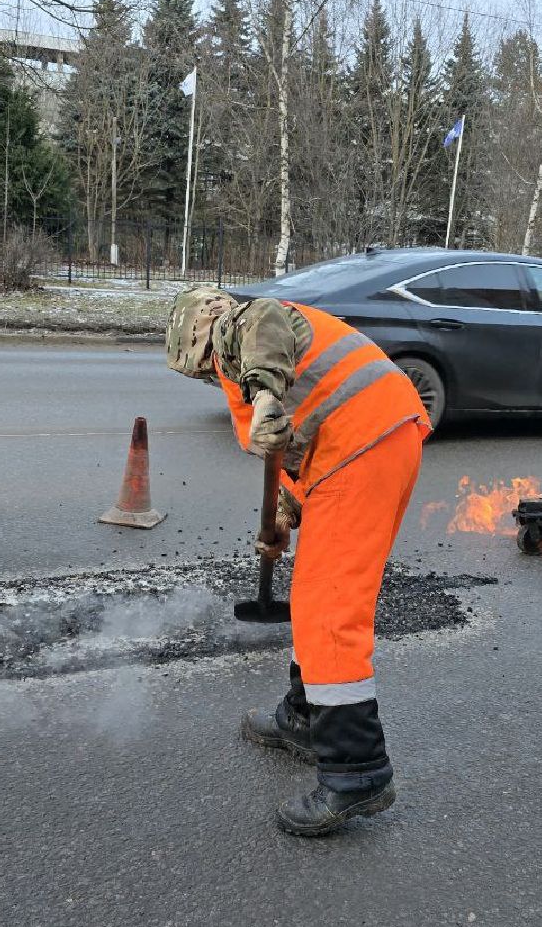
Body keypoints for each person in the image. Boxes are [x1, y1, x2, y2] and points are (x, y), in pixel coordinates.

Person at [166, 288, 430, 836]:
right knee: (315, 604)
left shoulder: (240, 323)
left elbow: (266, 326)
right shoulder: (263, 351)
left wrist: (263, 396)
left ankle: (358, 773)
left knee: (331, 611)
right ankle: (306, 717)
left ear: (198, 335)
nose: (208, 377)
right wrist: (284, 513)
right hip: (361, 445)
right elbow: (299, 442)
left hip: (362, 449)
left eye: (201, 370)